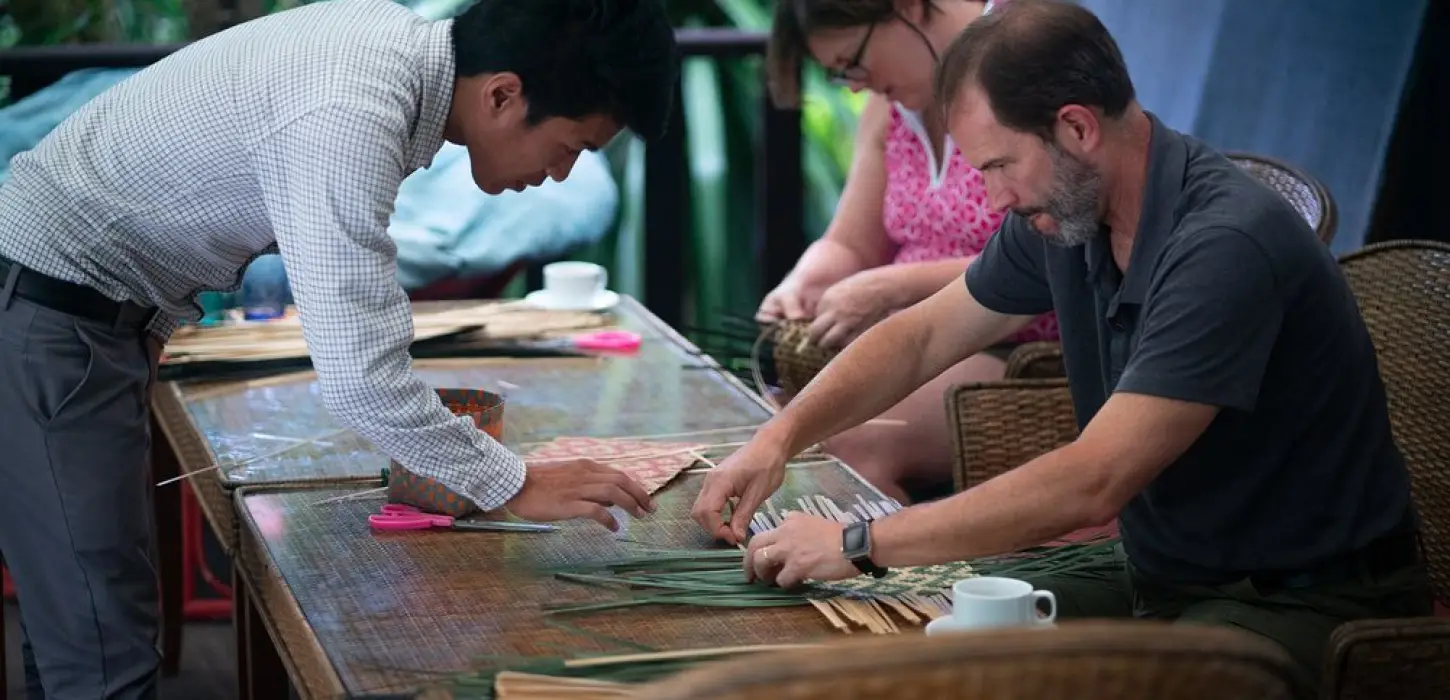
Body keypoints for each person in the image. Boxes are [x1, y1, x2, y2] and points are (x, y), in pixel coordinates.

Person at [693, 1, 1431, 694]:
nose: (993, 201)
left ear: (1076, 128)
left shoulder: (1224, 246)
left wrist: (859, 540)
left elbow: (1094, 480)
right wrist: (779, 438)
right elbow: (920, 338)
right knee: (921, 643)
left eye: (998, 166)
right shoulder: (1066, 212)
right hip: (1163, 568)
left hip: (1298, 599)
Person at [0, 0, 677, 697]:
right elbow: (362, 379)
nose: (562, 175)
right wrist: (514, 482)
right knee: (101, 652)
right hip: (50, 315)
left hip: (77, 315)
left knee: (79, 630)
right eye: (572, 147)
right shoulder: (350, 110)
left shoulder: (386, 53)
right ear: (503, 93)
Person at [758, 0, 1057, 505]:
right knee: (776, 411)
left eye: (852, 61)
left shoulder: (1028, 56)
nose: (853, 83)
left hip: (1023, 346)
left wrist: (893, 286)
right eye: (838, 75)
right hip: (916, 335)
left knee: (853, 440)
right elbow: (852, 242)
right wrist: (804, 283)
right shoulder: (892, 104)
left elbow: (1054, 255)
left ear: (908, 7)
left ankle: (887, 578)